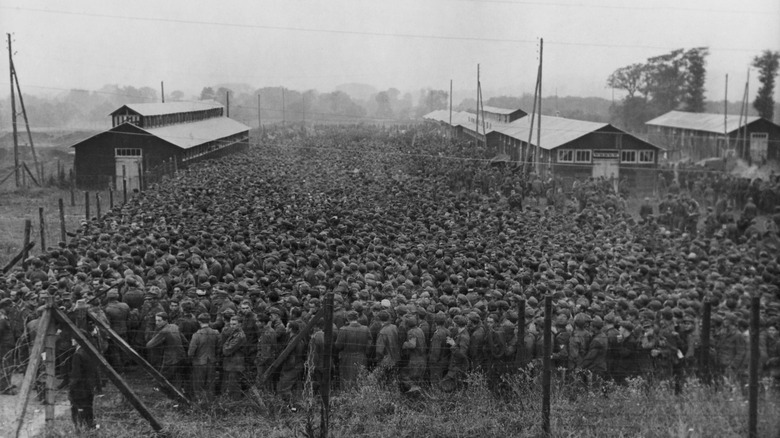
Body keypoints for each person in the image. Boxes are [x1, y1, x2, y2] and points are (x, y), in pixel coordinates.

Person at [69, 331, 100, 430]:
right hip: (89, 385)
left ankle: (80, 429)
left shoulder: (77, 355)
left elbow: (76, 375)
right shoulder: (89, 351)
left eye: (74, 338)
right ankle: (90, 426)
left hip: (80, 387)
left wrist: (71, 388)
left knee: (78, 408)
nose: (72, 340)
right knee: (88, 407)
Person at [334, 310, 371, 390]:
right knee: (361, 379)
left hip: (347, 357)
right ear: (357, 318)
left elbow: (338, 345)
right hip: (362, 356)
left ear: (347, 318)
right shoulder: (366, 329)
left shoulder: (343, 330)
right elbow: (369, 345)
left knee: (347, 379)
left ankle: (347, 397)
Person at [188, 313, 219, 401]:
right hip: (212, 362)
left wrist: (191, 359)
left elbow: (191, 352)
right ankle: (210, 402)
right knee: (210, 384)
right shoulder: (215, 333)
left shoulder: (196, 335)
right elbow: (219, 347)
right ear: (209, 321)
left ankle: (200, 402)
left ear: (199, 322)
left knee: (199, 385)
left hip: (199, 363)